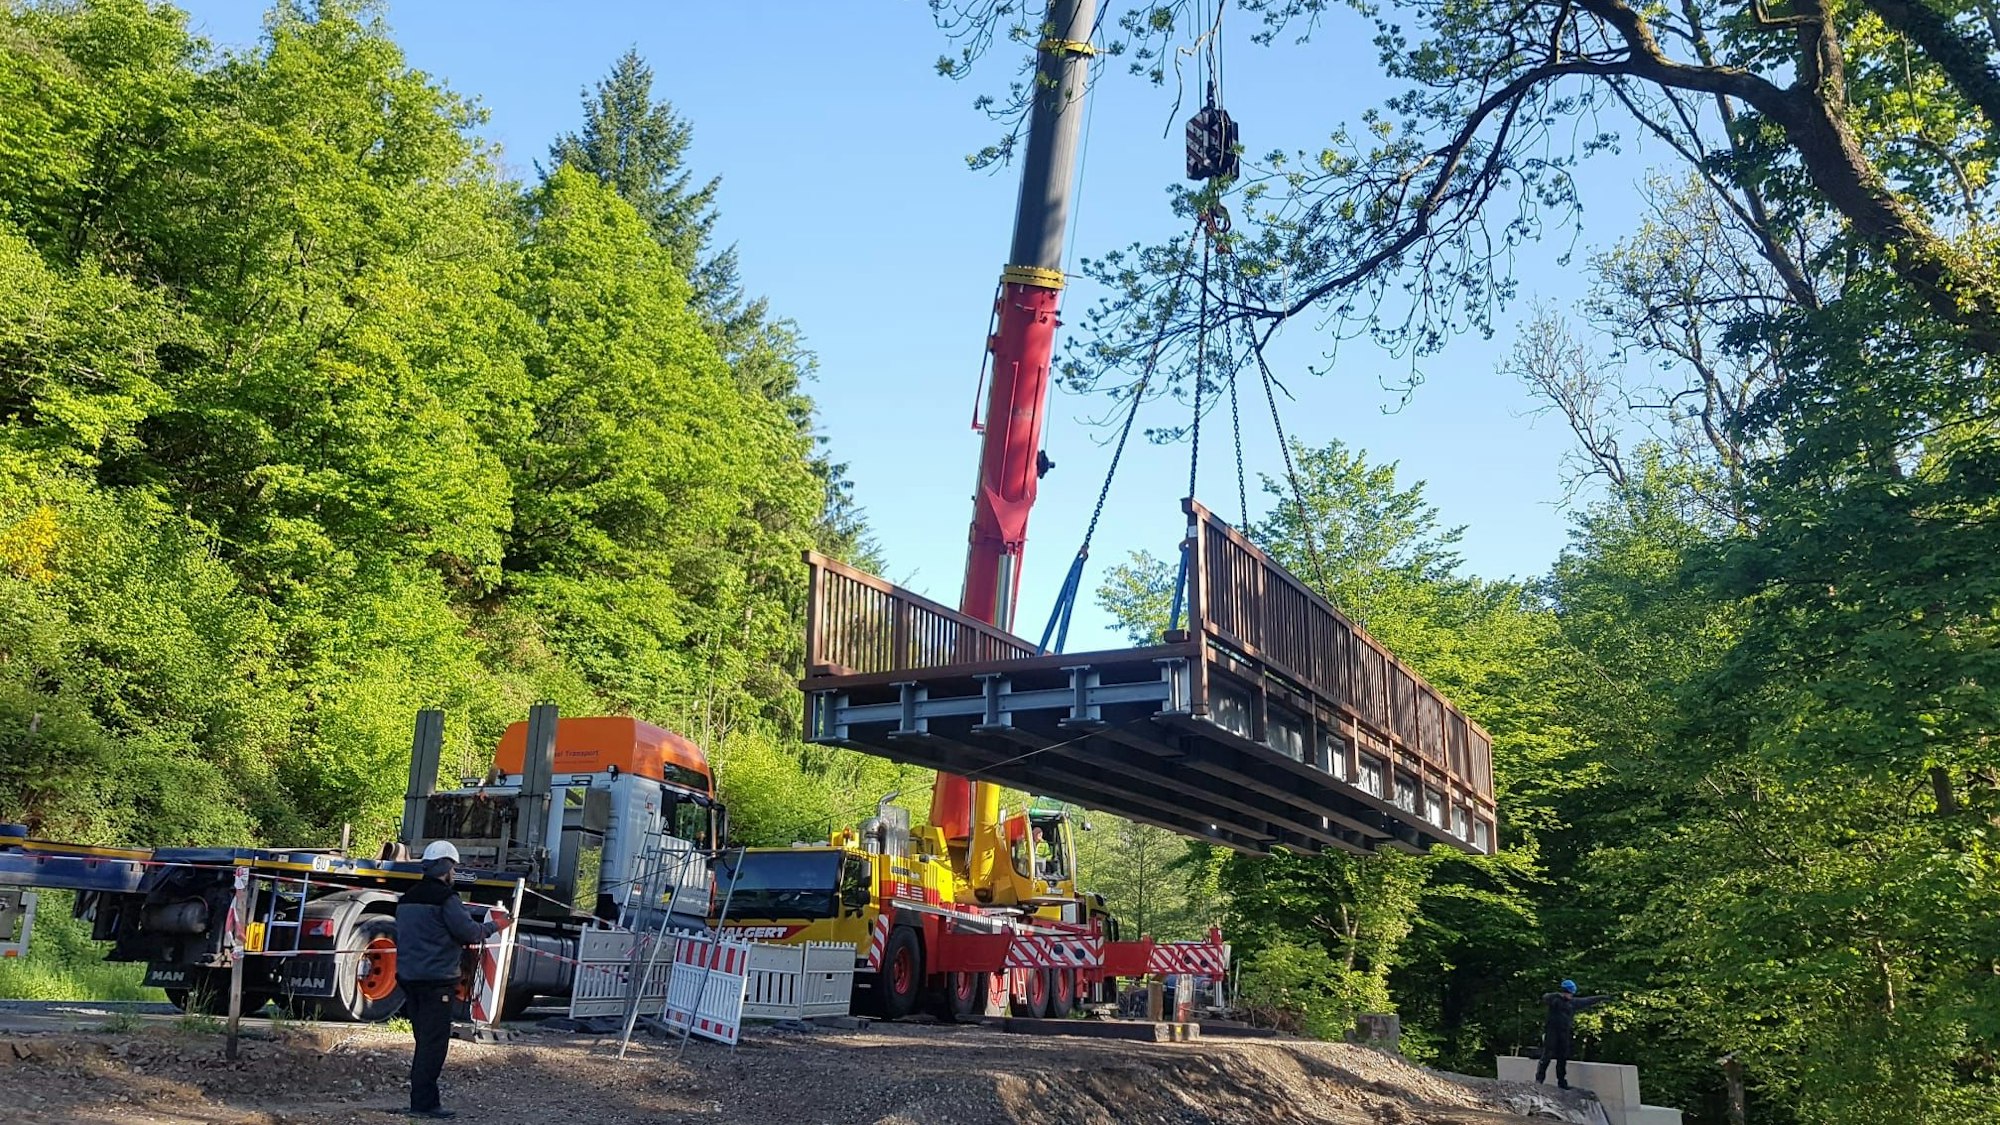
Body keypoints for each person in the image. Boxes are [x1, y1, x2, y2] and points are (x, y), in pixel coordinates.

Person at [395, 840, 503, 1120]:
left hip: (409, 979)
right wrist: (496, 926)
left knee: (423, 1040)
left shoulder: (407, 898)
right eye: (453, 867)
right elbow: (469, 932)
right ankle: (425, 1105)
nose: (454, 873)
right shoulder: (446, 899)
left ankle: (419, 1100)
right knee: (434, 1044)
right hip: (436, 982)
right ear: (445, 867)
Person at [1537, 979, 1613, 1089]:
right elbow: (1545, 997)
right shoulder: (1555, 1000)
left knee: (1562, 1058)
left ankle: (1562, 1082)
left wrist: (1602, 998)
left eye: (1571, 994)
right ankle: (1539, 1079)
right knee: (1547, 1055)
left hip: (1564, 1033)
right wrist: (1559, 995)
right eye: (1568, 993)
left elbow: (1587, 1000)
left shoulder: (1573, 1003)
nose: (1570, 996)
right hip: (1552, 1032)